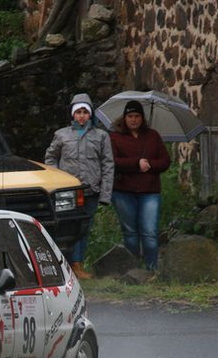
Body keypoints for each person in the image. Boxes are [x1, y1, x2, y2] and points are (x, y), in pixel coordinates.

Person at [45, 93, 114, 279]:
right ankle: (63, 265)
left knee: (84, 229)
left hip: (90, 190)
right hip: (68, 193)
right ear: (72, 115)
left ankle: (78, 264)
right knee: (65, 228)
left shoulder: (101, 136)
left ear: (90, 114)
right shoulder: (61, 135)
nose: (82, 116)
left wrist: (105, 194)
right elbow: (51, 157)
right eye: (78, 112)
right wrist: (56, 180)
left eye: (85, 112)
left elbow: (108, 165)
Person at [109, 99, 171, 271]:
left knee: (150, 232)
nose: (134, 120)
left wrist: (149, 164)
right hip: (123, 191)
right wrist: (136, 163)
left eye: (137, 116)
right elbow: (113, 162)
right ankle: (133, 270)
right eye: (130, 116)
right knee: (130, 233)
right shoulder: (115, 137)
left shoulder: (153, 136)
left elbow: (165, 161)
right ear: (124, 118)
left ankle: (151, 269)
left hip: (149, 192)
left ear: (142, 118)